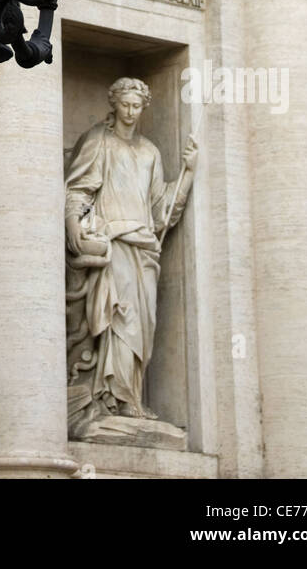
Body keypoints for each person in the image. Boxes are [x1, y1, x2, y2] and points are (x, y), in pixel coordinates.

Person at [65, 77, 197, 435]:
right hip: (115, 243)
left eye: (137, 106)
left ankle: (132, 395)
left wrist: (187, 175)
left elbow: (161, 209)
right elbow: (78, 188)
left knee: (142, 325)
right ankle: (112, 398)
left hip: (144, 248)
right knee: (118, 320)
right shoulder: (98, 141)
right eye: (125, 104)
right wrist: (73, 223)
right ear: (114, 103)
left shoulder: (150, 152)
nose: (130, 111)